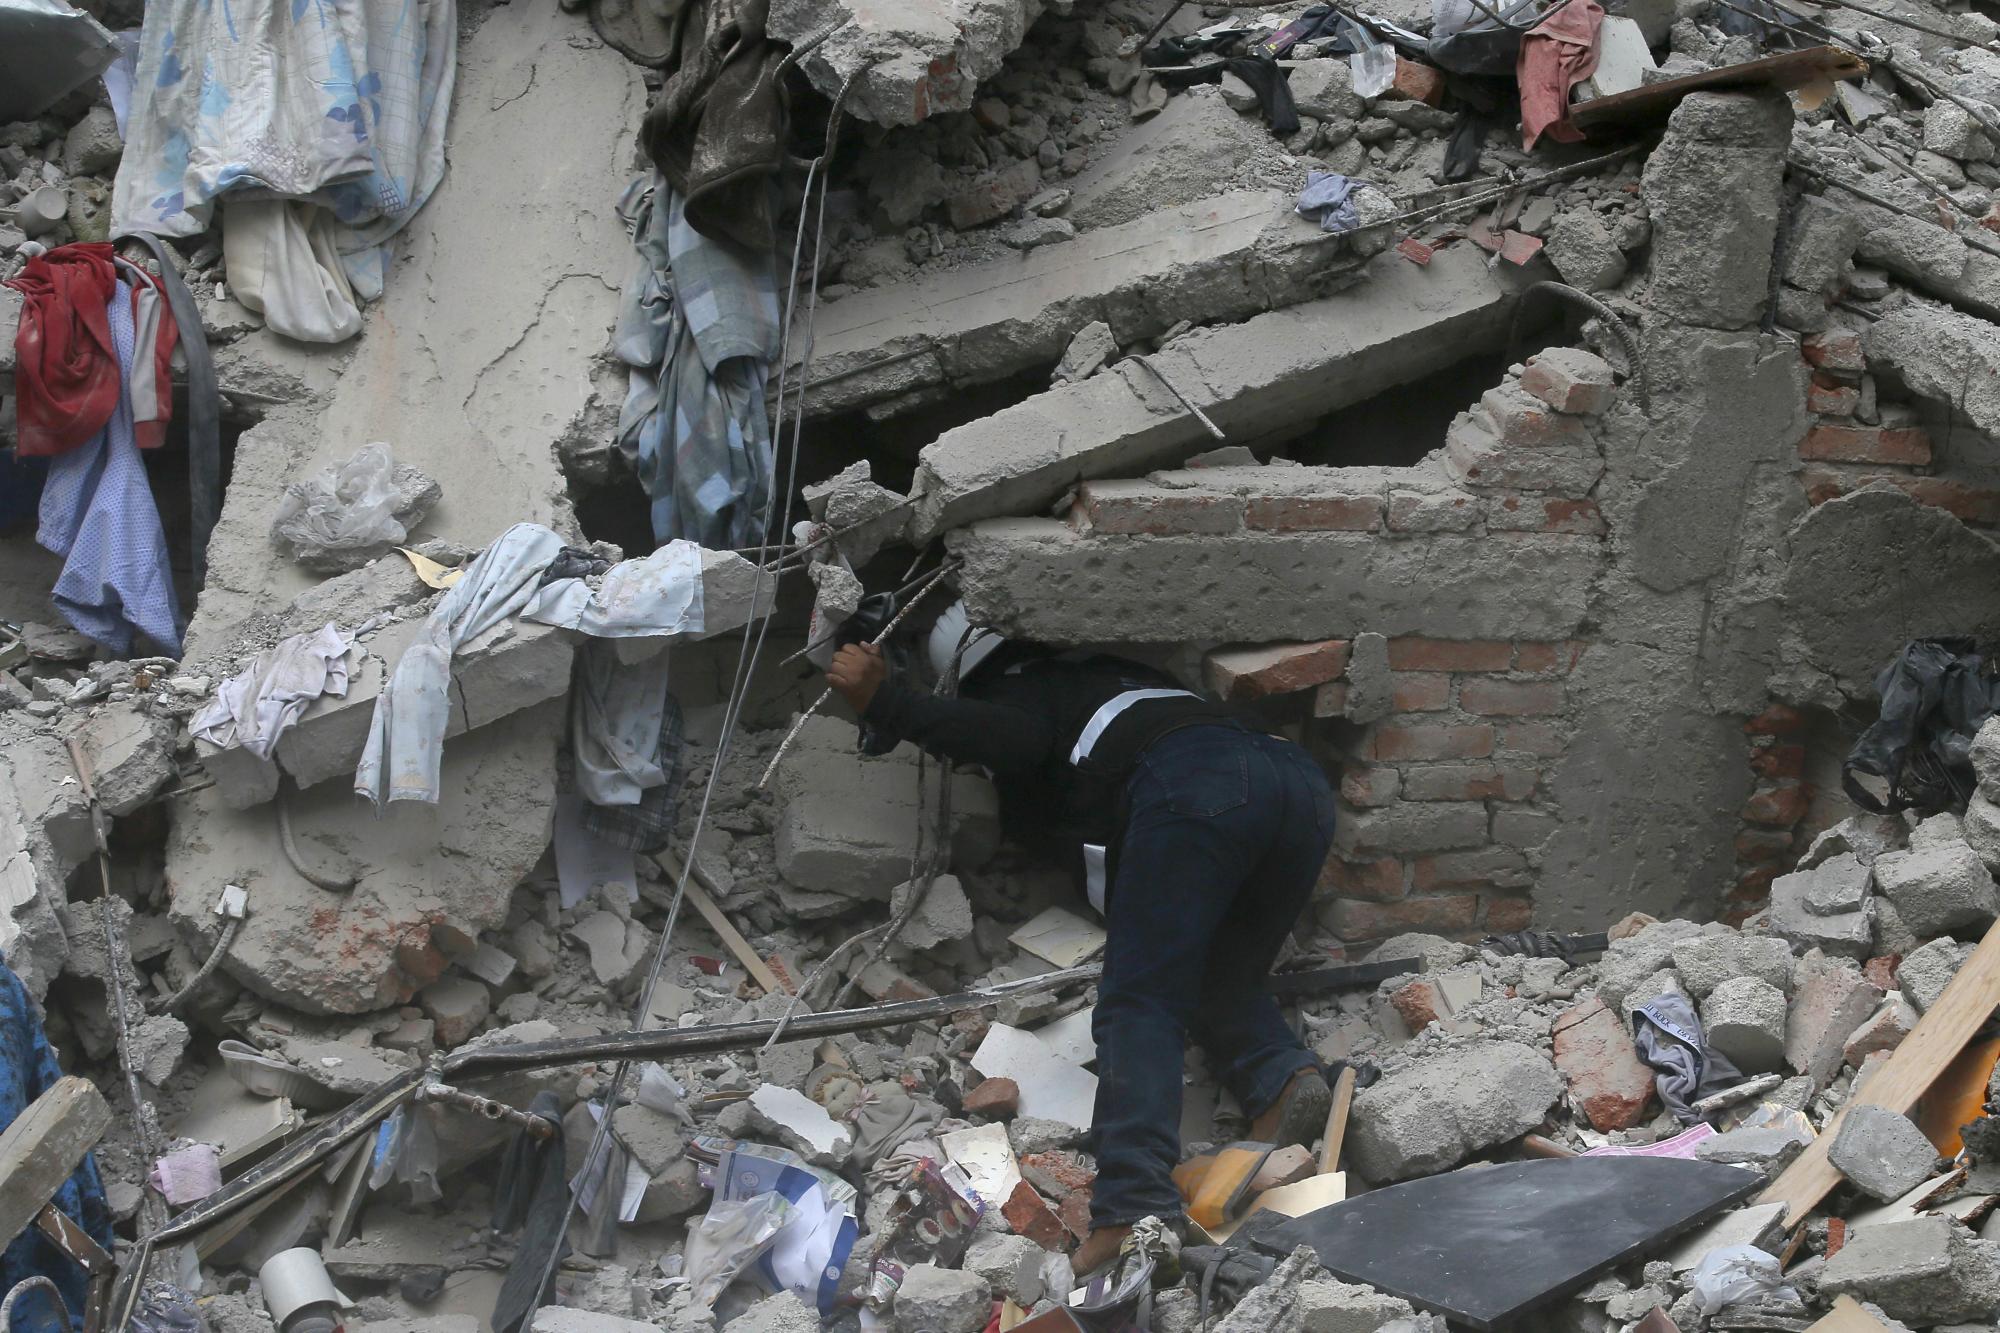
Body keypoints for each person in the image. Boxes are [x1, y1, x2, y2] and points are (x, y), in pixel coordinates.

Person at [825, 600, 1339, 1273]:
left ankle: (1131, 1208)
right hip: (1293, 782)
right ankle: (1280, 1078)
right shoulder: (1113, 675)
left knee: (1139, 1000)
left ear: (968, 673)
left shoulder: (1018, 689)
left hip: (1193, 785)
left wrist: (884, 700)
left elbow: (1010, 740)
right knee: (1220, 970)